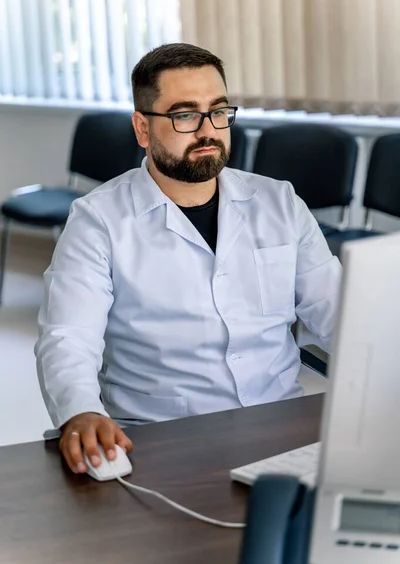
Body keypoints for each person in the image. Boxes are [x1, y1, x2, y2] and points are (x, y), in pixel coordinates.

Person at [35, 43, 341, 475]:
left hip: (279, 429)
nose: (208, 131)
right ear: (143, 129)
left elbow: (338, 313)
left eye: (218, 111)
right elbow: (69, 337)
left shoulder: (280, 202)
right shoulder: (98, 220)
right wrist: (81, 411)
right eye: (184, 115)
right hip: (163, 439)